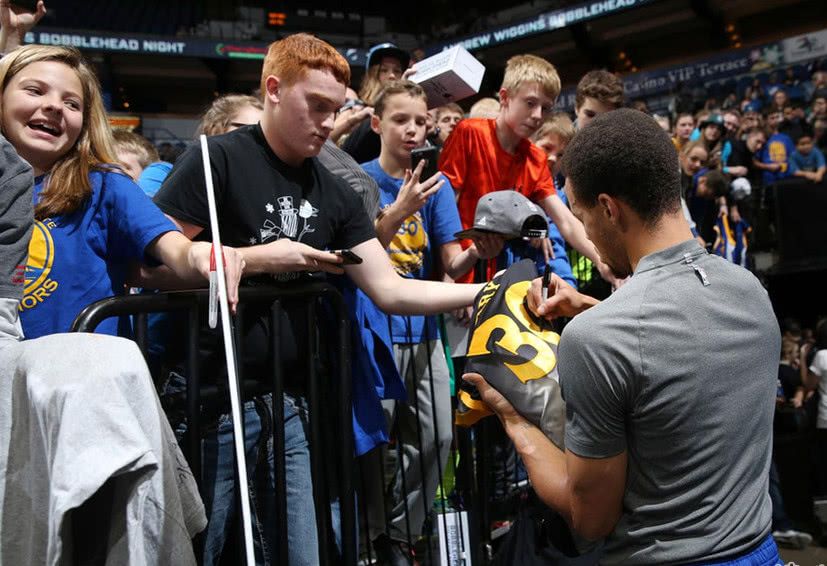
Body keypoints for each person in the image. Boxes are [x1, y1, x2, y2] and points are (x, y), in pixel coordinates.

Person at [153, 33, 488, 566]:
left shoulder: (335, 189)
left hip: (293, 400)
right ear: (273, 90)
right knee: (204, 549)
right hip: (212, 393)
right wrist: (260, 258)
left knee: (303, 553)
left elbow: (391, 288)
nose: (329, 123)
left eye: (336, 109)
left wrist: (488, 291)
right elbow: (148, 268)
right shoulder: (215, 159)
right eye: (317, 106)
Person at [465, 108, 782, 564]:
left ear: (610, 208)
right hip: (760, 550)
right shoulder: (749, 289)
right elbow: (678, 347)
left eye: (582, 215)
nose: (586, 233)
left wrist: (516, 422)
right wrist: (593, 307)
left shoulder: (599, 338)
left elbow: (589, 516)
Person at [0, 45, 242, 340]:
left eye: (73, 104)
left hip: (79, 376)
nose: (55, 106)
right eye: (35, 91)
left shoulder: (104, 186)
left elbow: (176, 249)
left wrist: (203, 254)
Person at [360, 79, 501, 560]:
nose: (414, 129)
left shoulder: (437, 188)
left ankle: (399, 533)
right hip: (374, 333)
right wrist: (396, 213)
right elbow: (358, 257)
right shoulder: (356, 180)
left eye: (421, 121)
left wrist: (476, 252)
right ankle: (376, 537)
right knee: (377, 447)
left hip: (424, 334)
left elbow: (449, 262)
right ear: (377, 123)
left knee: (440, 436)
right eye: (401, 119)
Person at [438, 55, 617, 286]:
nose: (537, 116)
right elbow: (446, 204)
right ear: (504, 97)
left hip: (503, 275)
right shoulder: (469, 133)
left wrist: (601, 261)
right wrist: (449, 273)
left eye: (545, 108)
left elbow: (565, 220)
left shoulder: (535, 158)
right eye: (530, 103)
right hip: (462, 269)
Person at [342, 43, 411, 164]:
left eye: (397, 71)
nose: (392, 76)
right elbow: (330, 140)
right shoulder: (356, 107)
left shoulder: (410, 113)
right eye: (384, 70)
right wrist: (353, 120)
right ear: (373, 75)